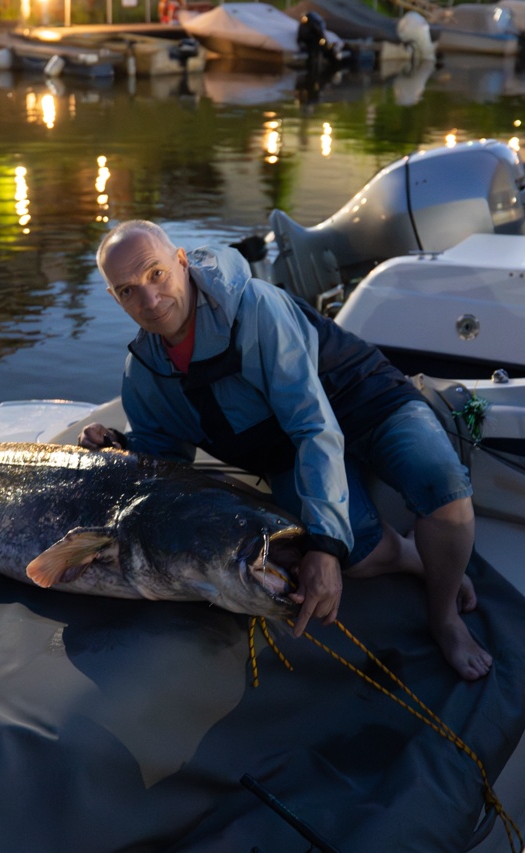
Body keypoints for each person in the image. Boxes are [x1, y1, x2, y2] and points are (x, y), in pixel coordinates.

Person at [80, 220, 491, 680]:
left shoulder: (256, 307)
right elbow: (166, 458)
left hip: (366, 402)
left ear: (181, 261)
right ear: (117, 300)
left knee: (445, 489)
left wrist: (324, 545)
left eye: (155, 274)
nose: (150, 300)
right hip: (286, 452)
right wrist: (120, 446)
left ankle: (445, 617)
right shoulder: (143, 375)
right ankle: (419, 560)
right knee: (361, 557)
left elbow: (314, 426)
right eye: (129, 291)